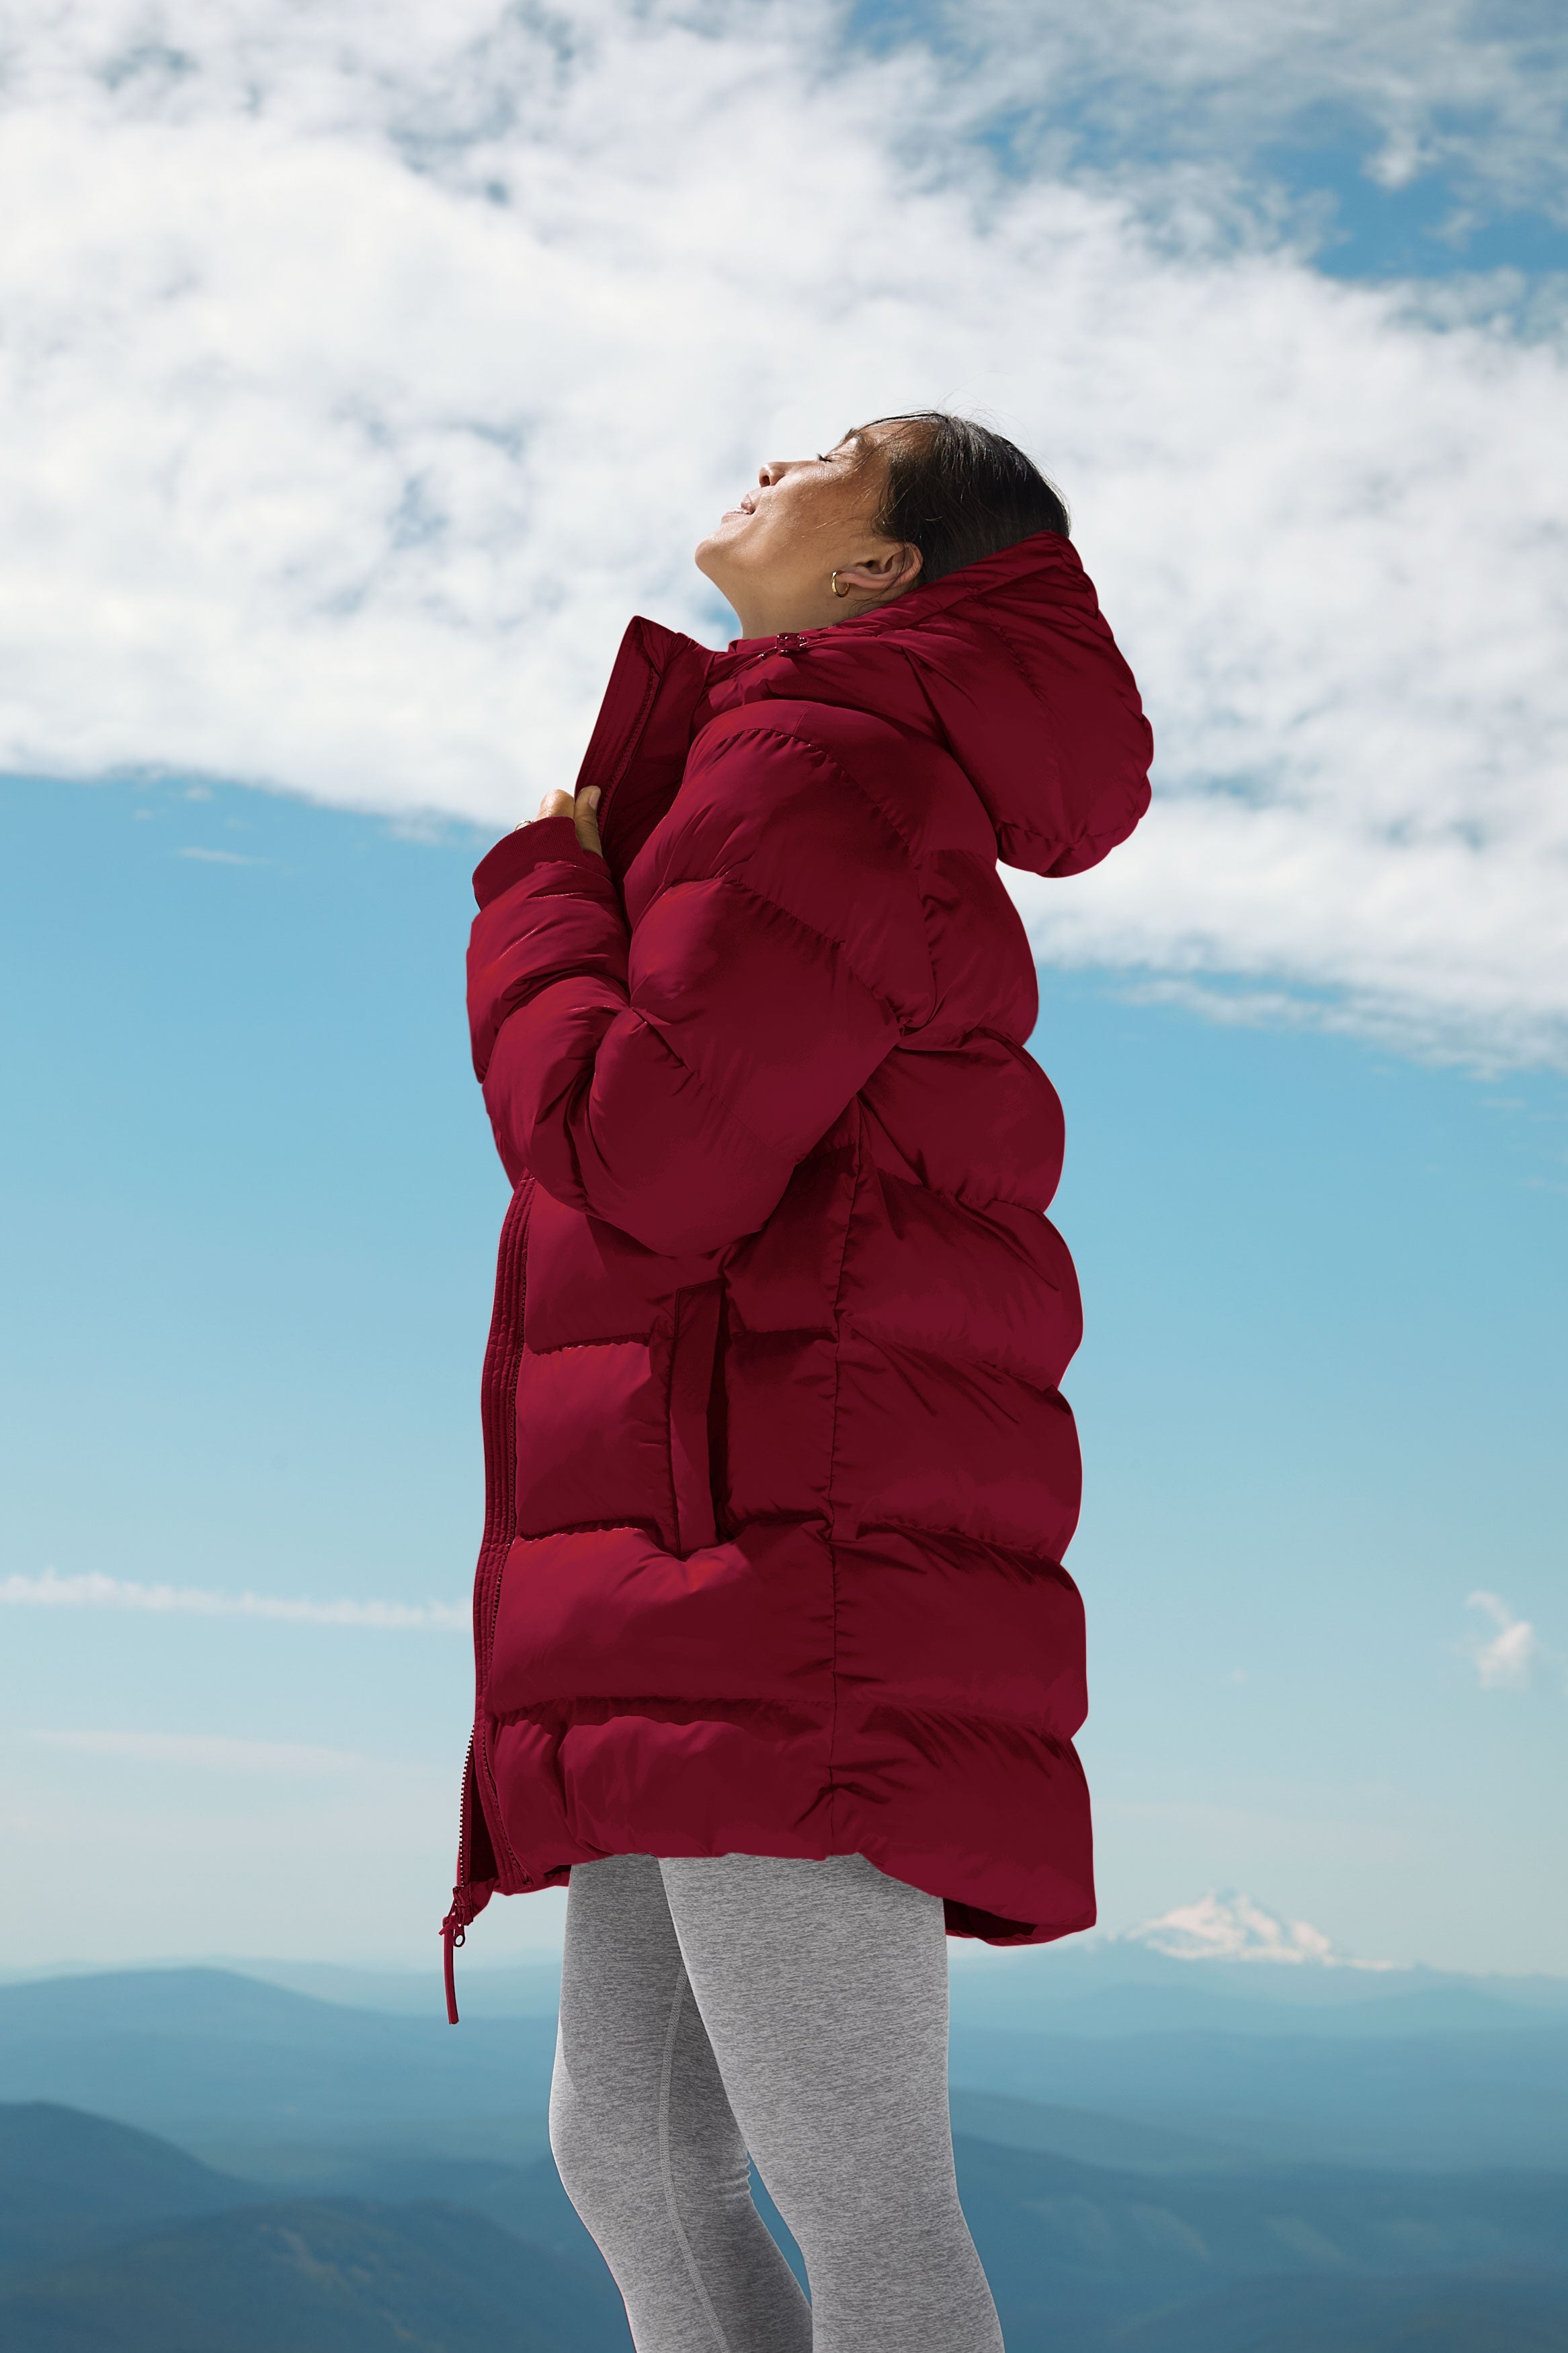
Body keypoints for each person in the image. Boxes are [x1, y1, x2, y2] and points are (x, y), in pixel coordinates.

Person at [442, 412, 1153, 2350]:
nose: (775, 454)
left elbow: (646, 1160)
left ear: (881, 572)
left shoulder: (825, 775)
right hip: (702, 1564)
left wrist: (539, 901)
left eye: (839, 453)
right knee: (635, 2155)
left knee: (858, 2193)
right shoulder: (775, 770)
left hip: (782, 1572)